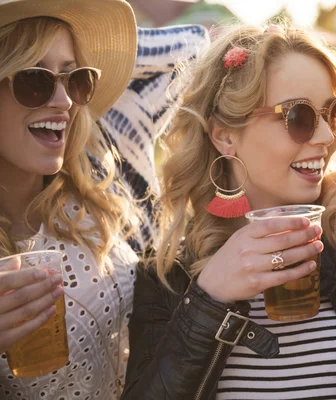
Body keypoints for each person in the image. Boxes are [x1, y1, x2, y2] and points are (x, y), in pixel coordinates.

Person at [123, 24, 336, 400]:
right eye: (299, 117)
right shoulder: (168, 275)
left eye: (335, 112)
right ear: (224, 134)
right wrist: (209, 299)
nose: (325, 137)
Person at [0, 1, 208, 398]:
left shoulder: (102, 181)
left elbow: (195, 47)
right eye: (35, 80)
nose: (64, 102)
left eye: (76, 79)